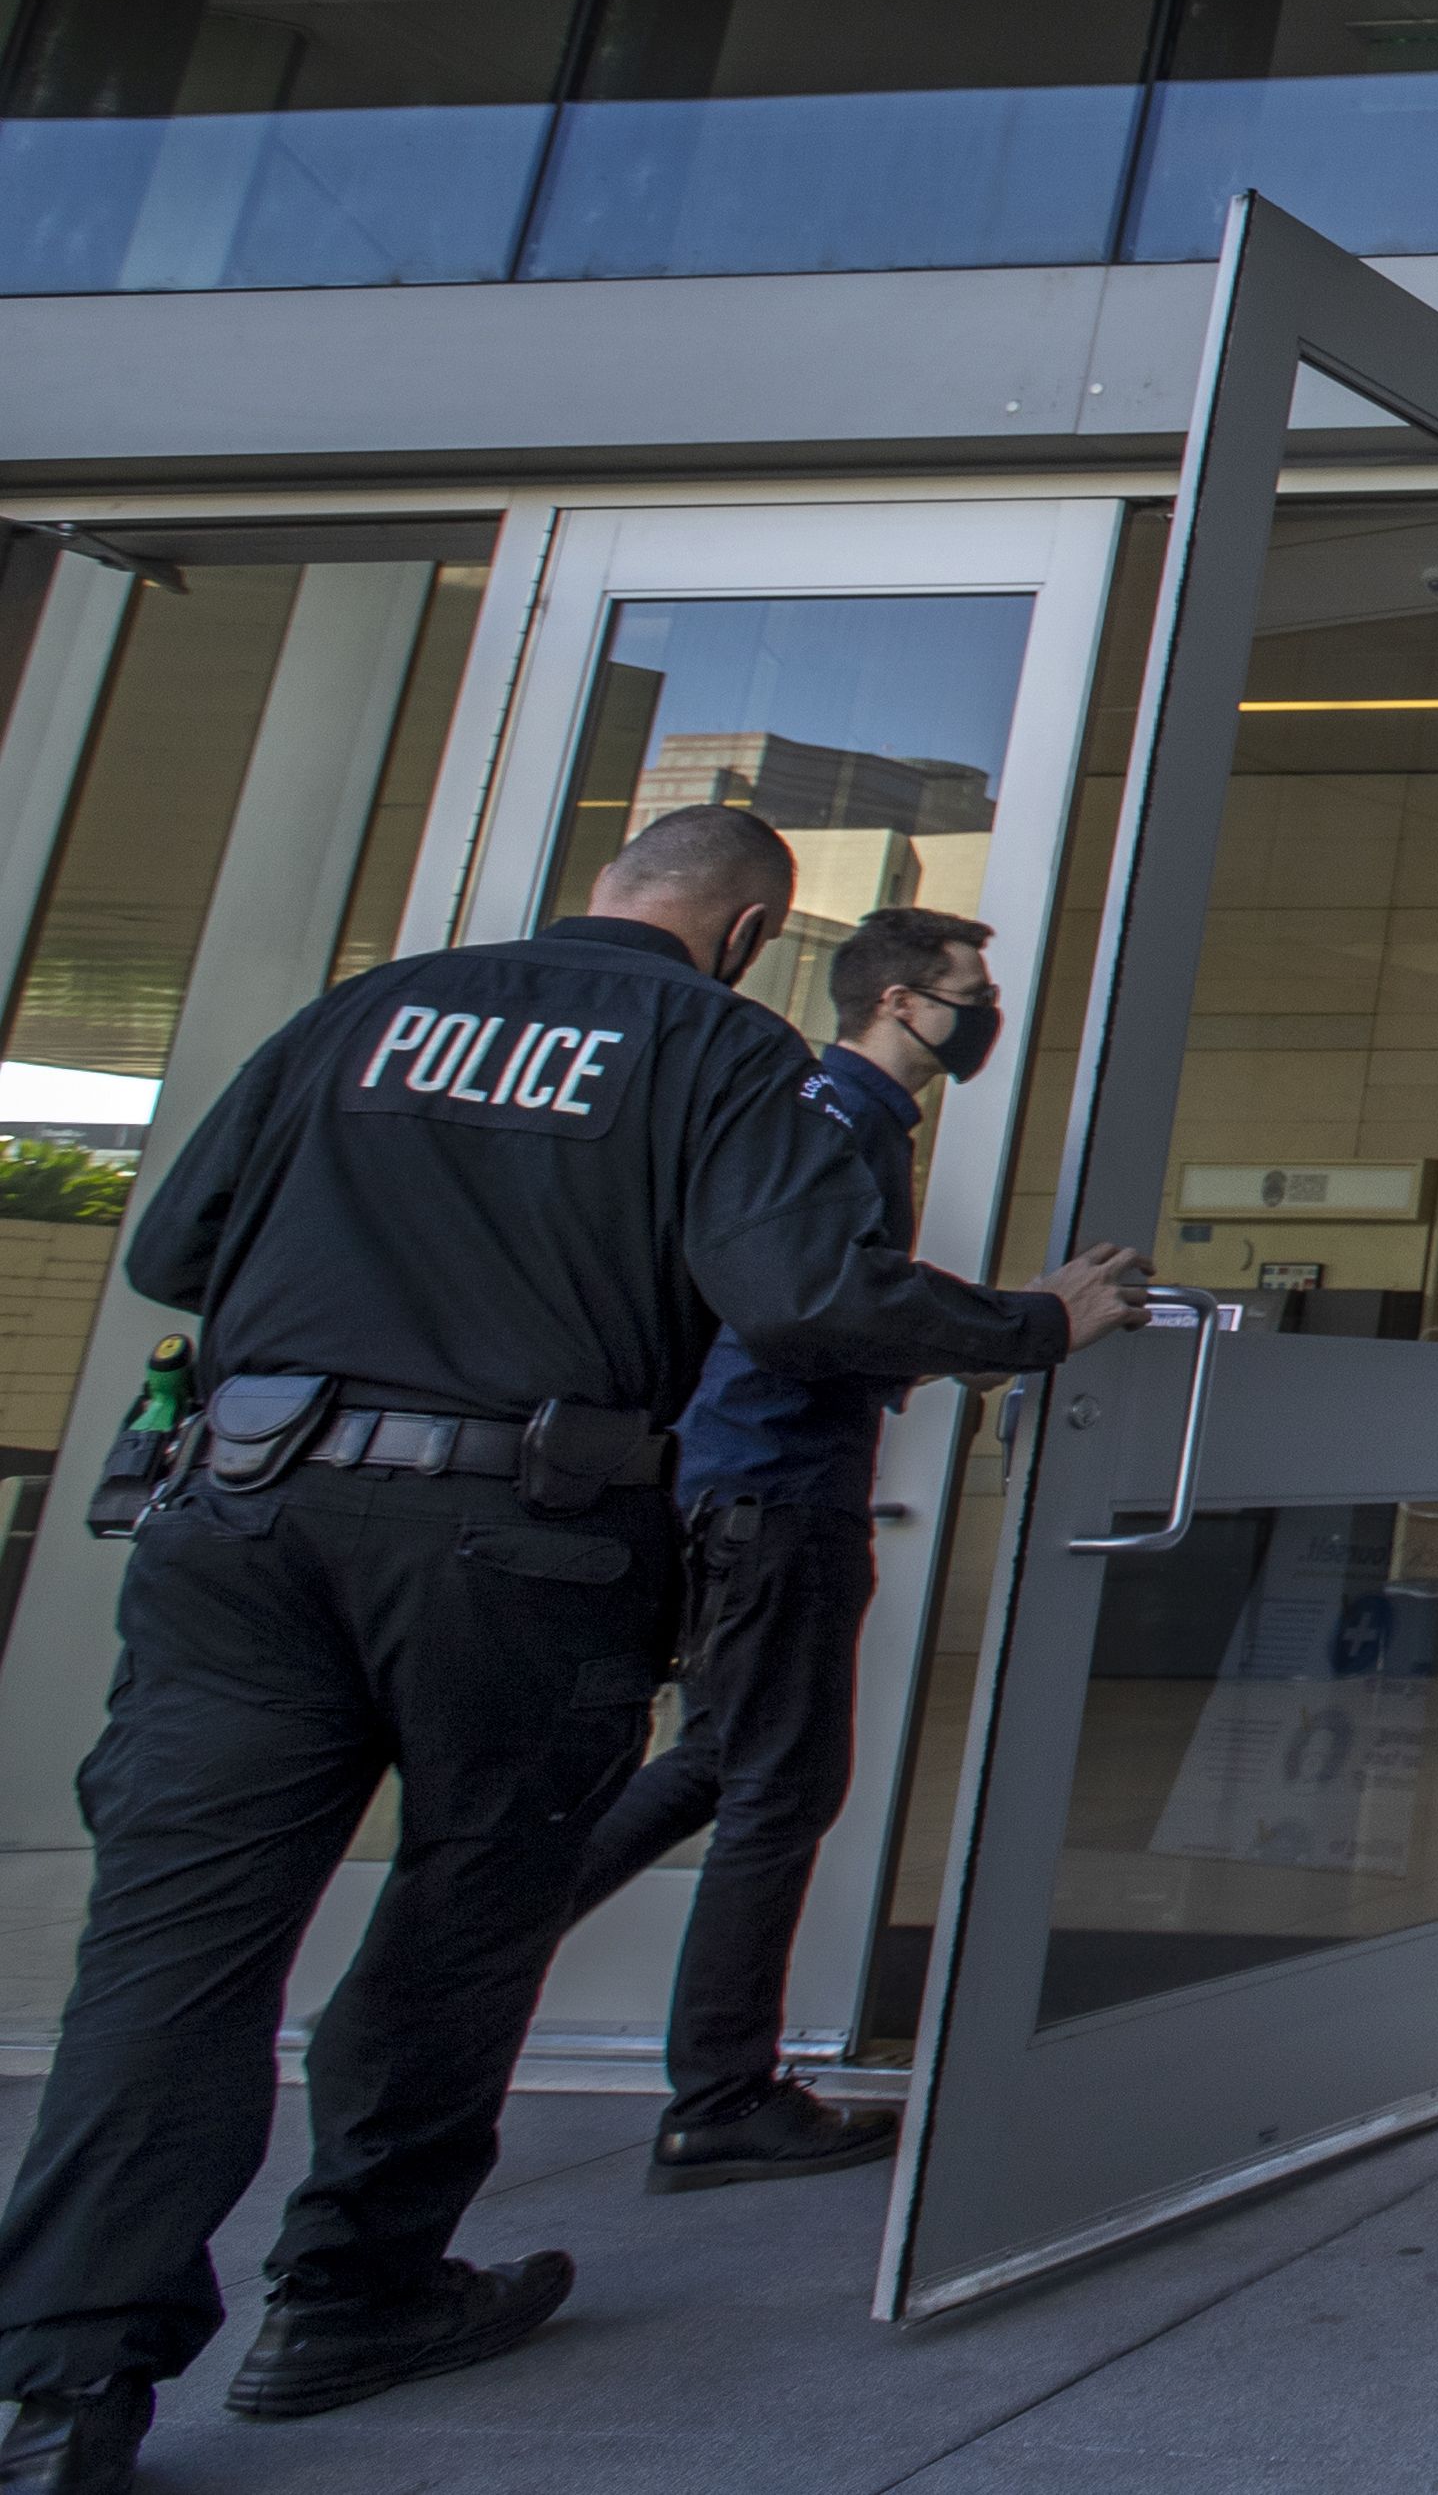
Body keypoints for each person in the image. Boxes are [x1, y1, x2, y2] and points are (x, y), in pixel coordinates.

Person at [0, 809, 1145, 2495]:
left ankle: (58, 2393)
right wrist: (1035, 1323)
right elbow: (801, 1299)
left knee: (170, 1955)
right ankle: (352, 2293)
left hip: (243, 1520)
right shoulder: (714, 1048)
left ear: (605, 890)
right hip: (513, 1539)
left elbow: (175, 1249)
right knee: (464, 1916)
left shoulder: (365, 1013)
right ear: (753, 931)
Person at [551, 902, 1011, 2194]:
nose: (983, 1010)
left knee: (718, 1761)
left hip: (747, 1493)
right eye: (969, 986)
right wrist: (1023, 1328)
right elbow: (812, 1310)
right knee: (779, 1791)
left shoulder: (839, 1120)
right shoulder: (839, 1119)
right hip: (774, 1500)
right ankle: (721, 2097)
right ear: (901, 1002)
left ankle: (476, 1943)